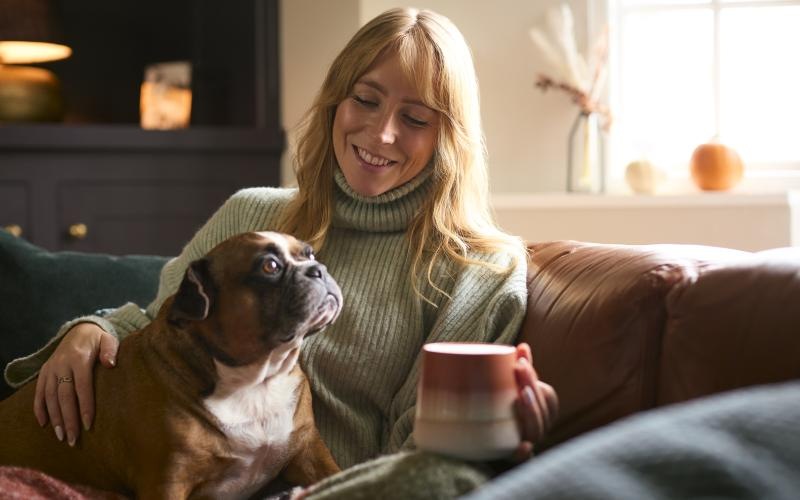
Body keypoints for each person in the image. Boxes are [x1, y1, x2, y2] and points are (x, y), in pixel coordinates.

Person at [5, 7, 558, 498]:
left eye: (415, 119)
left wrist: (498, 438)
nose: (381, 132)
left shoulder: (479, 270)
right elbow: (162, 326)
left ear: (449, 137)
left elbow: (422, 458)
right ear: (336, 102)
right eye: (365, 100)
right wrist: (92, 330)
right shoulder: (255, 215)